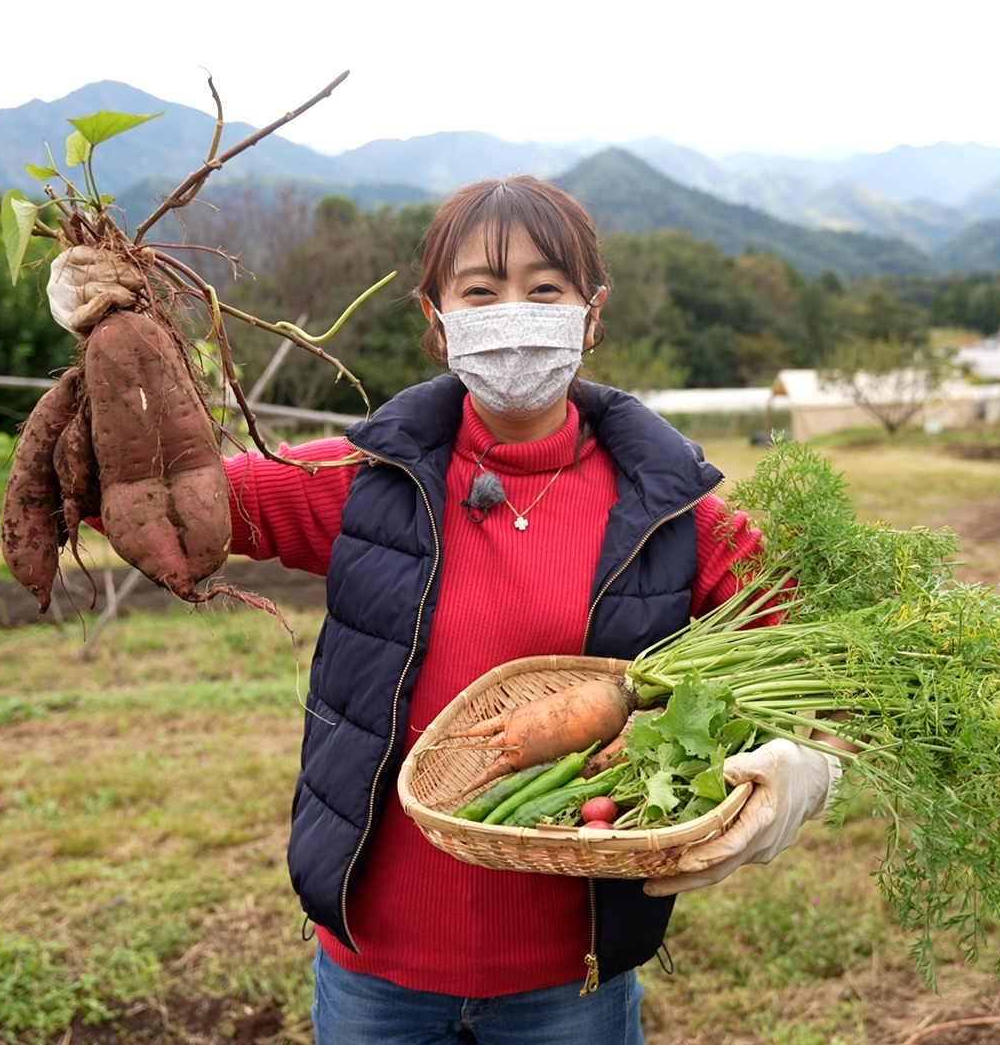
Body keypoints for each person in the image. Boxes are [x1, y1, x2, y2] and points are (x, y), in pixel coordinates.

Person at [49, 177, 837, 1044]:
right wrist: (112, 349)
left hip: (567, 982)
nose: (514, 313)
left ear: (591, 313)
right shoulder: (363, 484)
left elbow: (822, 669)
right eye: (480, 291)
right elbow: (135, 502)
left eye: (545, 290)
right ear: (436, 319)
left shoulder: (679, 517)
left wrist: (805, 769)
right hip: (375, 974)